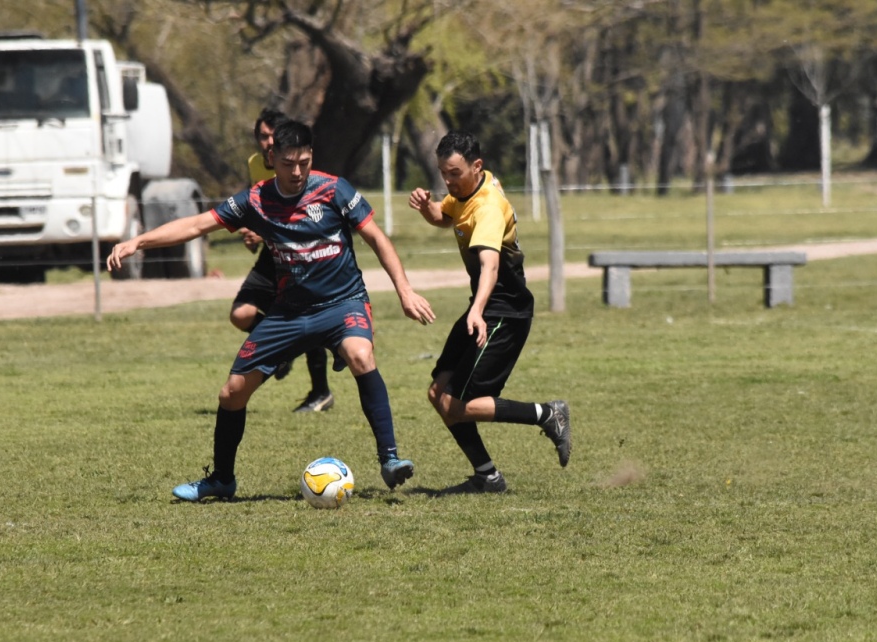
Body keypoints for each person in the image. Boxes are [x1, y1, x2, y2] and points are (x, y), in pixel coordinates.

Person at [108, 120, 436, 501]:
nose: (296, 172)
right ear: (271, 158)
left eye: (304, 162)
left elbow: (377, 238)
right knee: (231, 393)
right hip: (288, 314)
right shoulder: (255, 200)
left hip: (343, 302)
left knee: (361, 355)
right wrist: (139, 241)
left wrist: (405, 291)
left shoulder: (333, 190)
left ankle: (390, 460)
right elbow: (198, 224)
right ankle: (221, 479)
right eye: (287, 163)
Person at [408, 130, 572, 493]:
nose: (447, 180)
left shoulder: (488, 207)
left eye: (453, 172)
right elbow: (444, 217)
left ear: (476, 166)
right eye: (442, 173)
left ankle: (547, 414)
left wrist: (478, 310)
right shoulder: (465, 191)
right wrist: (426, 207)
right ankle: (488, 477)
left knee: (455, 403)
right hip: (484, 308)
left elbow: (490, 267)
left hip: (504, 313)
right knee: (438, 393)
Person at [234, 108, 335, 413]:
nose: (266, 142)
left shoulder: (298, 168)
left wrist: (262, 233)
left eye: (271, 137)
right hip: (272, 252)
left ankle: (321, 392)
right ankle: (285, 349)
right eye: (262, 136)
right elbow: (261, 207)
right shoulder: (255, 164)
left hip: (301, 251)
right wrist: (252, 231)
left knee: (309, 315)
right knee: (241, 313)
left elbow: (300, 218)